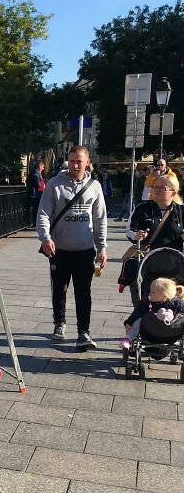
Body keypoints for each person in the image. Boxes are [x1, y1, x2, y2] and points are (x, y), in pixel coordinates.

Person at [36, 144, 107, 350]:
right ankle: (59, 322)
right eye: (72, 161)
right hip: (59, 249)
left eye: (80, 161)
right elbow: (43, 213)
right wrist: (45, 238)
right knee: (59, 288)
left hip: (85, 250)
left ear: (87, 162)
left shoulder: (94, 186)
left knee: (83, 291)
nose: (75, 165)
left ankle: (83, 332)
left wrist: (102, 247)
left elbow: (100, 218)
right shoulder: (54, 184)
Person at [122, 277, 184, 348]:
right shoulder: (147, 303)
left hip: (171, 334)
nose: (149, 293)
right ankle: (128, 338)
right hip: (150, 333)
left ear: (165, 295)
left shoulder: (177, 304)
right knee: (138, 320)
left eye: (153, 292)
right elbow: (137, 312)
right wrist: (129, 322)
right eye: (150, 291)